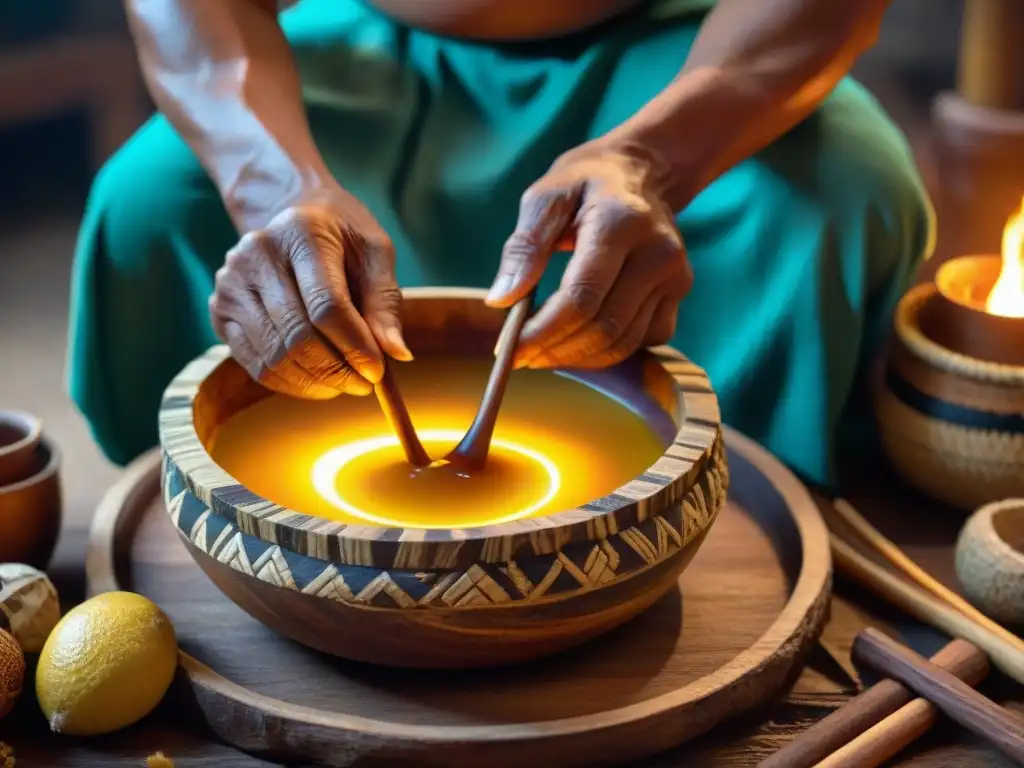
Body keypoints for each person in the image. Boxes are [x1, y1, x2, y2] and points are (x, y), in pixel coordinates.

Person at [67, 0, 934, 487]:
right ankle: (203, 521)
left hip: (703, 49)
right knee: (150, 199)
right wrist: (277, 186)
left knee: (844, 198)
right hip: (364, 44)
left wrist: (655, 161)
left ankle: (746, 522)